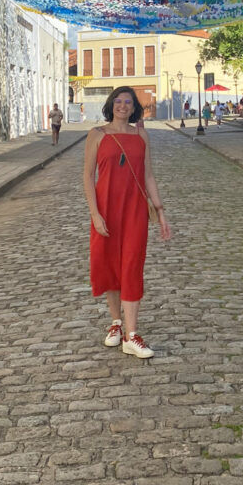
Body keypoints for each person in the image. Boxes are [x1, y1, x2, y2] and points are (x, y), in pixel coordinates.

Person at [83, 85, 172, 359]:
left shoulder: (141, 135)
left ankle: (132, 335)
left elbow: (148, 176)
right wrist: (95, 214)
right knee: (108, 263)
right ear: (112, 105)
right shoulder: (97, 135)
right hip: (106, 208)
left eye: (128, 102)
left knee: (132, 263)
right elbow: (87, 177)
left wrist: (159, 210)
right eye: (118, 101)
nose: (123, 106)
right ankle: (116, 324)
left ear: (134, 108)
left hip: (134, 210)